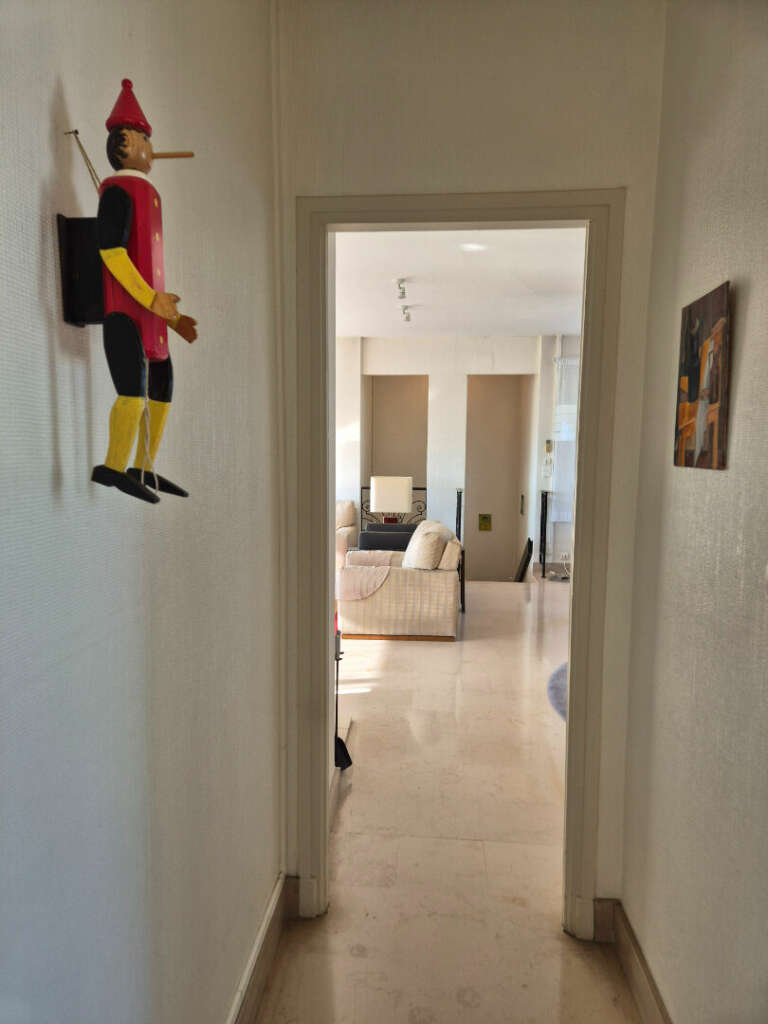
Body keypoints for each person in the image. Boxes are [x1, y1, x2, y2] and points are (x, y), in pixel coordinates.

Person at [91, 79, 197, 503]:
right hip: (125, 314)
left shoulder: (148, 194)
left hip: (152, 318)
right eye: (144, 140)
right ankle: (114, 466)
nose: (150, 149)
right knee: (131, 391)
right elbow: (111, 251)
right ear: (125, 145)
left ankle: (143, 464)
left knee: (163, 388)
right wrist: (151, 299)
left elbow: (150, 268)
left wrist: (174, 317)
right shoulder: (117, 191)